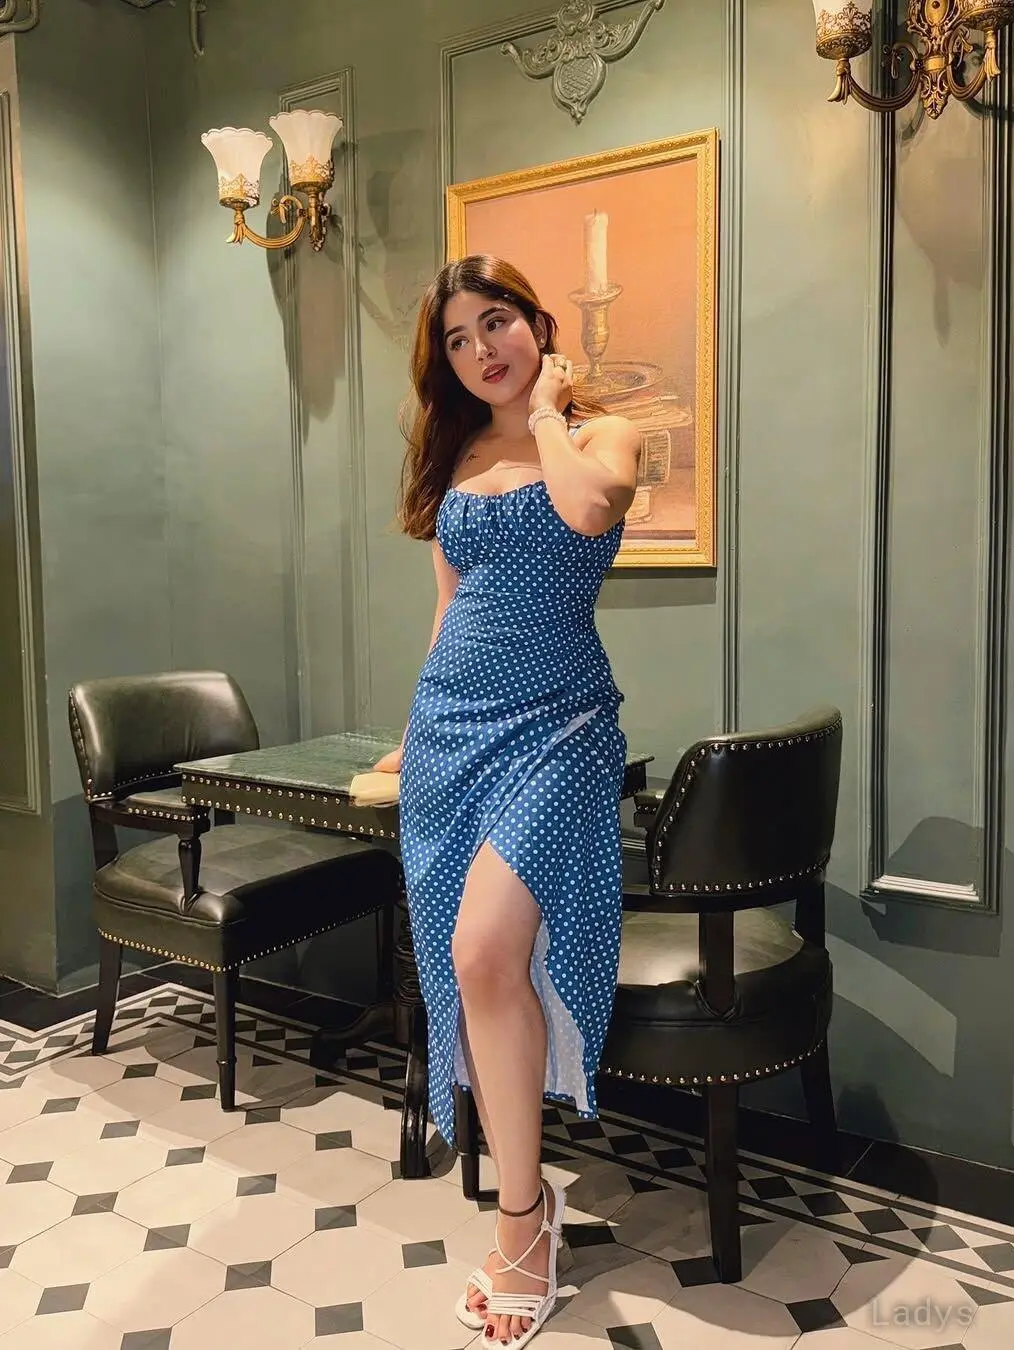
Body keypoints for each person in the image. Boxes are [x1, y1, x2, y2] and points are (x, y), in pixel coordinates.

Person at [374, 254, 640, 1346]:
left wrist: (544, 415)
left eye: (496, 322)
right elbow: (449, 605)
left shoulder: (601, 436)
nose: (480, 348)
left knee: (487, 951)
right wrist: (411, 732)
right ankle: (527, 1215)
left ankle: (523, 1224)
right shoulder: (454, 458)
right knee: (469, 965)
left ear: (538, 323)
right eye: (457, 338)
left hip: (560, 727)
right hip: (451, 732)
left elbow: (587, 510)